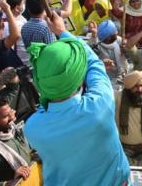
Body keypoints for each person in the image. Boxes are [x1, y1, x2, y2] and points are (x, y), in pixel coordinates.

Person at [24, 12, 131, 185]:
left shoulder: (33, 127)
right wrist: (62, 31)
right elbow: (94, 63)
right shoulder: (100, 105)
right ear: (80, 78)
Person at [115, 70, 142, 166]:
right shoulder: (118, 99)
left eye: (141, 86)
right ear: (128, 87)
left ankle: (138, 163)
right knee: (116, 159)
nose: (139, 89)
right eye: (135, 86)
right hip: (125, 148)